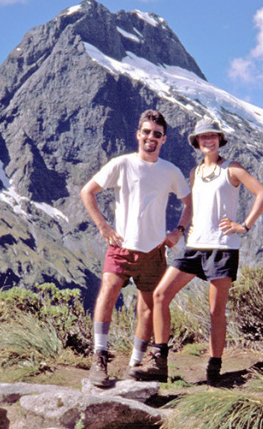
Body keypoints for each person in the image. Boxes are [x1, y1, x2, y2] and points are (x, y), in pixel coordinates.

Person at [129, 118, 263, 385]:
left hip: (222, 248)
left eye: (213, 136)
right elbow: (193, 206)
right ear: (196, 142)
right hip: (194, 247)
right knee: (160, 295)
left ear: (220, 139)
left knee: (216, 311)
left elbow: (262, 194)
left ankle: (214, 369)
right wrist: (182, 230)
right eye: (203, 137)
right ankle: (160, 362)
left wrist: (244, 225)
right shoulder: (194, 173)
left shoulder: (233, 169)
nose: (208, 141)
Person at [81, 109, 191, 387]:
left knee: (146, 309)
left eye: (156, 134)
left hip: (154, 251)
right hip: (122, 247)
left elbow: (190, 203)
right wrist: (104, 228)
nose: (150, 137)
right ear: (138, 134)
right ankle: (99, 356)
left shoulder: (170, 171)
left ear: (163, 139)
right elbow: (87, 192)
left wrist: (178, 231)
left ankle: (135, 364)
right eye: (146, 132)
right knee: (107, 292)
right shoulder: (122, 164)